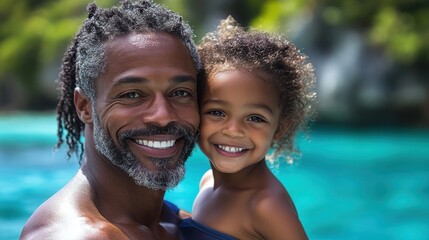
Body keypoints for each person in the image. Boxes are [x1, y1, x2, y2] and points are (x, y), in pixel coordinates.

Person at [20, 0, 201, 239]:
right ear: (84, 106)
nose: (163, 116)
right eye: (132, 95)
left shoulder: (180, 223)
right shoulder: (77, 235)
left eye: (180, 93)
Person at [186, 16, 316, 239]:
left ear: (280, 128)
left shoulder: (265, 206)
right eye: (217, 112)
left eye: (255, 118)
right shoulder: (207, 182)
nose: (233, 129)